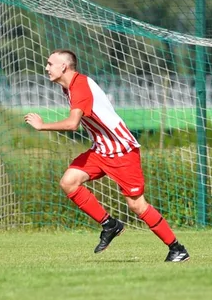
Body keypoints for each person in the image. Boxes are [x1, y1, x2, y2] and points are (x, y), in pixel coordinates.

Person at [24, 49, 190, 262]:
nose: (46, 67)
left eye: (50, 63)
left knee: (137, 205)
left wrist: (41, 126)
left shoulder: (80, 86)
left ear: (63, 67)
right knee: (69, 181)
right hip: (101, 150)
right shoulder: (70, 87)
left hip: (122, 151)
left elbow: (72, 124)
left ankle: (177, 248)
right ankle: (110, 224)